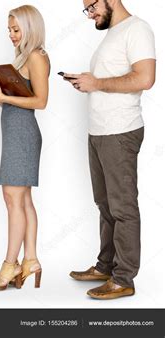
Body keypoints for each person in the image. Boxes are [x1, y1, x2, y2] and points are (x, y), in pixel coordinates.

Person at [67, 0, 156, 300]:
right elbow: (108, 80)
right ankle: (106, 266)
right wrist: (89, 83)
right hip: (100, 132)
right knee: (105, 206)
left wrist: (97, 83)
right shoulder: (113, 34)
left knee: (122, 207)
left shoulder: (138, 29)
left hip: (120, 131)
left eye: (91, 6)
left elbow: (145, 78)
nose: (89, 13)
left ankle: (124, 278)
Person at [0, 5, 49, 291]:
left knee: (12, 198)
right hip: (14, 131)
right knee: (23, 200)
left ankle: (10, 265)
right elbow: (15, 101)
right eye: (9, 29)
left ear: (30, 28)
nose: (11, 34)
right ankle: (30, 260)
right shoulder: (23, 56)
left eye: (16, 29)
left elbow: (41, 102)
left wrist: (5, 98)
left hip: (22, 134)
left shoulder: (36, 56)